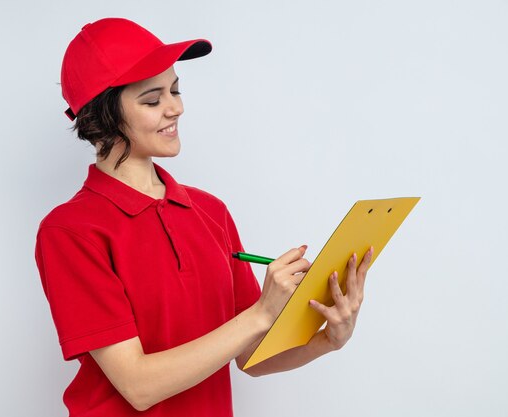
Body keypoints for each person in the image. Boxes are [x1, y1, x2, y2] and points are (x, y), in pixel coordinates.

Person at [35, 17, 373, 417]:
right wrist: (262, 312)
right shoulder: (70, 231)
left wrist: (327, 340)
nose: (176, 107)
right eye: (152, 99)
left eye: (175, 90)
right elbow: (138, 386)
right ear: (103, 115)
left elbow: (250, 355)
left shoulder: (210, 212)